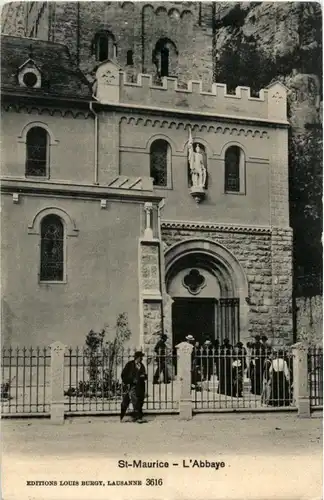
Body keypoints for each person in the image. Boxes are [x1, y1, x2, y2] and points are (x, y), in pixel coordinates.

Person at [120, 351, 147, 423]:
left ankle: (137, 416)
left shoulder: (142, 365)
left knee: (140, 401)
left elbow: (145, 375)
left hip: (140, 386)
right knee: (129, 401)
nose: (142, 359)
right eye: (141, 357)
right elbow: (123, 375)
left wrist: (143, 376)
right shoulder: (129, 364)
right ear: (138, 357)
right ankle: (136, 417)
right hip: (131, 385)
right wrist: (131, 380)